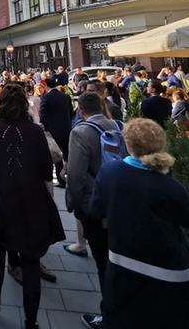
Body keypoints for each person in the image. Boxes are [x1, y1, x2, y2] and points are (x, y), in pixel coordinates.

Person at [90, 118, 189, 329]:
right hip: (172, 269)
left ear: (129, 144)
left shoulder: (112, 172)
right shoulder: (172, 186)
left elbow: (96, 209)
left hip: (125, 261)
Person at [0, 84, 64, 329]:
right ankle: (31, 319)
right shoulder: (35, 131)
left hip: (2, 200)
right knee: (30, 261)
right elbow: (47, 170)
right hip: (32, 202)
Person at [67, 92, 119, 329]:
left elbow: (76, 176)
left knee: (102, 263)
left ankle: (108, 315)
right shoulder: (119, 125)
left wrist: (75, 205)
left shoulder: (81, 131)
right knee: (117, 259)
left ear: (80, 110)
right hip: (119, 201)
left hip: (95, 204)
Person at [40, 77, 73, 186]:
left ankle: (61, 178)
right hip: (67, 128)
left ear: (46, 85)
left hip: (53, 131)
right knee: (67, 154)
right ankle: (69, 174)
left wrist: (44, 126)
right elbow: (71, 112)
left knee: (57, 155)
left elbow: (43, 115)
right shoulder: (65, 96)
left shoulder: (46, 98)